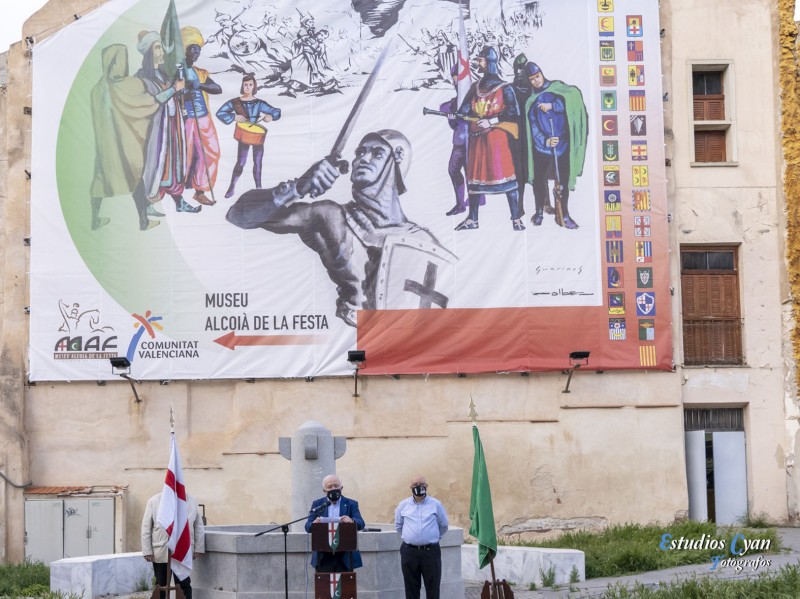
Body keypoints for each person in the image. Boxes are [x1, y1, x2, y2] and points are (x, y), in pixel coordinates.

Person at [226, 129, 456, 327]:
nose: (363, 159)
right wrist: (297, 187)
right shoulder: (330, 216)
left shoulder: (423, 241)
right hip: (351, 338)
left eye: (377, 153)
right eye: (360, 153)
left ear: (397, 161)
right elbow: (239, 216)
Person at [134, 31, 200, 230]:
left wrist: (182, 92)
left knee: (174, 163)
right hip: (156, 130)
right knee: (155, 165)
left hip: (172, 125)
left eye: (161, 47)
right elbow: (151, 101)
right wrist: (174, 89)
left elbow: (172, 94)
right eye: (157, 48)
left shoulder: (163, 73)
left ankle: (178, 201)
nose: (161, 52)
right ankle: (148, 204)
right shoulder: (140, 78)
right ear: (148, 53)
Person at [456, 46, 524, 231]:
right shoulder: (475, 87)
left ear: (490, 62)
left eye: (481, 60)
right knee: (475, 181)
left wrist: (492, 121)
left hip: (497, 141)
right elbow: (465, 109)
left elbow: (513, 113)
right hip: (477, 142)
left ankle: (516, 219)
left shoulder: (505, 88)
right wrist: (458, 115)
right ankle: (473, 219)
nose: (478, 63)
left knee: (506, 179)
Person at [524, 62, 588, 228]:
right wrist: (544, 141)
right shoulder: (532, 101)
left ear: (542, 74)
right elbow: (533, 126)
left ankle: (564, 215)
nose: (536, 81)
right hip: (542, 149)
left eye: (537, 76)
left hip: (562, 146)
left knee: (563, 182)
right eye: (532, 79)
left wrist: (552, 105)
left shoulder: (557, 89)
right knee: (539, 181)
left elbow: (570, 101)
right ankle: (539, 212)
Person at [216, 74, 282, 198]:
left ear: (254, 86)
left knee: (258, 163)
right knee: (240, 162)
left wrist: (271, 116)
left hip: (257, 134)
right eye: (245, 85)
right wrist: (234, 117)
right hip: (244, 134)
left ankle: (259, 188)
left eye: (250, 85)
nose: (247, 87)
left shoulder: (259, 103)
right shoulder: (236, 102)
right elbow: (220, 113)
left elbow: (276, 111)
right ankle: (232, 187)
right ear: (242, 86)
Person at [181, 27, 222, 207]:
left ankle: (200, 191)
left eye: (198, 50)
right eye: (193, 48)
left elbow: (217, 89)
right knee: (185, 155)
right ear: (185, 49)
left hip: (203, 118)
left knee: (212, 152)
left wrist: (200, 86)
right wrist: (183, 94)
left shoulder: (200, 73)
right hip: (185, 119)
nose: (196, 53)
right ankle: (175, 192)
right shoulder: (176, 71)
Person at [439, 65, 485, 217]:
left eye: (458, 79)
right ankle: (460, 204)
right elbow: (454, 126)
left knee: (471, 173)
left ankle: (478, 199)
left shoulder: (477, 98)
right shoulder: (454, 103)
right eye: (454, 80)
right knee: (453, 170)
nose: (456, 83)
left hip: (473, 141)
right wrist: (451, 118)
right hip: (459, 141)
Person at [141, 491, 205, 599]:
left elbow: (198, 526)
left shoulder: (192, 501)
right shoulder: (154, 501)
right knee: (160, 585)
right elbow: (146, 528)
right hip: (161, 551)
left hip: (183, 552)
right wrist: (147, 550)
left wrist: (198, 548)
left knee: (184, 585)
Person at [395, 475, 449, 599]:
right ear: (410, 487)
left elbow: (444, 525)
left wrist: (432, 537)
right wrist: (411, 537)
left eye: (422, 484)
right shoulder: (403, 505)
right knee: (411, 589)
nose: (419, 487)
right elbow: (398, 526)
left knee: (433, 588)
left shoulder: (436, 504)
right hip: (409, 552)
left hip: (431, 552)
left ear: (427, 486)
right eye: (415, 485)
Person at [304, 474, 365, 572]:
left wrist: (352, 521)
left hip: (345, 556)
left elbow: (361, 523)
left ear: (341, 488)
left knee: (345, 582)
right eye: (330, 487)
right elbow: (308, 527)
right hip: (323, 556)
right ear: (324, 491)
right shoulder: (318, 504)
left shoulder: (351, 503)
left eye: (336, 486)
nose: (333, 489)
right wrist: (314, 524)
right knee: (324, 582)